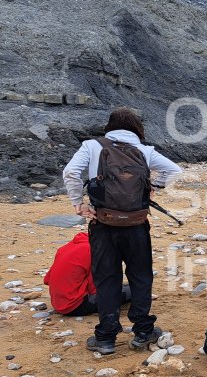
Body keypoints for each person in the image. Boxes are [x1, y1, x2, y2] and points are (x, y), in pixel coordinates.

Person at [63, 108, 181, 355]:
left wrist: (78, 204)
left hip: (103, 224)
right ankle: (143, 332)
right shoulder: (145, 151)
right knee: (140, 276)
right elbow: (174, 171)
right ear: (137, 128)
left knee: (107, 278)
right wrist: (153, 187)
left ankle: (106, 337)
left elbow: (71, 172)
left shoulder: (92, 146)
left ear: (110, 126)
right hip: (137, 225)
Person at [44, 232, 131, 316]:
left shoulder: (65, 248)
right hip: (76, 306)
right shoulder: (93, 250)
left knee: (123, 287)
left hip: (57, 303)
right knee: (134, 290)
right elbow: (97, 288)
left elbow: (47, 279)